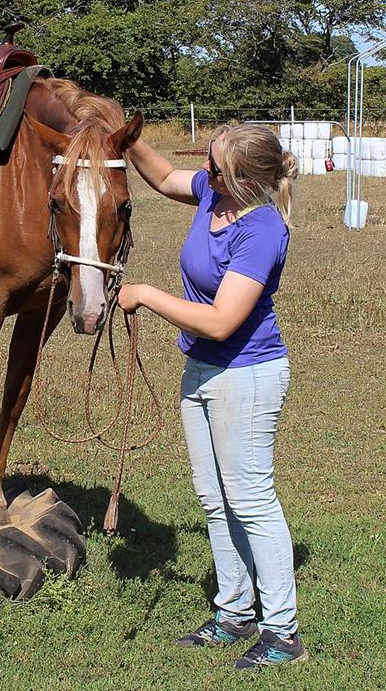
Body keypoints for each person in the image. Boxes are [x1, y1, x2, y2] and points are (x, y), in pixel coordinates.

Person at [117, 123, 305, 670]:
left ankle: (282, 631)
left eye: (215, 164)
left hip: (244, 376)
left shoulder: (261, 229)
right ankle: (234, 611)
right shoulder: (212, 194)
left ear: (243, 178)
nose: (205, 168)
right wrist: (120, 135)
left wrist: (148, 295)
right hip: (201, 370)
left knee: (250, 500)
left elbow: (222, 322)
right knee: (214, 500)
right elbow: (161, 176)